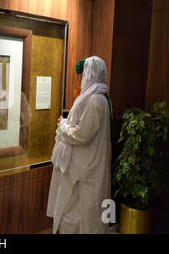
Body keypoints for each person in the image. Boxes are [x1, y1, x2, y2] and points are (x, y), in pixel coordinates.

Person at [47, 56, 112, 234]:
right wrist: (67, 122)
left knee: (83, 214)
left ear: (90, 74)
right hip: (83, 167)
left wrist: (62, 125)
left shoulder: (94, 100)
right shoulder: (95, 98)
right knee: (76, 212)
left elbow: (82, 134)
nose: (79, 80)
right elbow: (84, 125)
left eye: (82, 75)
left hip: (86, 170)